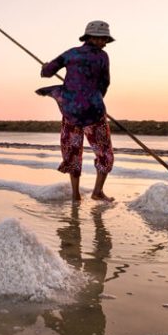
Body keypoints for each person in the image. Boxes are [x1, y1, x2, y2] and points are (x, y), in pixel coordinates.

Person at [37, 20, 115, 202]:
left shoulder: (70, 53)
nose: (104, 42)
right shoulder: (103, 56)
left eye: (105, 39)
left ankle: (75, 195)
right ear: (93, 38)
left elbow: (47, 72)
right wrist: (94, 98)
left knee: (72, 152)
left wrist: (45, 66)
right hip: (94, 113)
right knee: (104, 153)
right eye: (103, 38)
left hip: (70, 111)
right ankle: (97, 192)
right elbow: (105, 83)